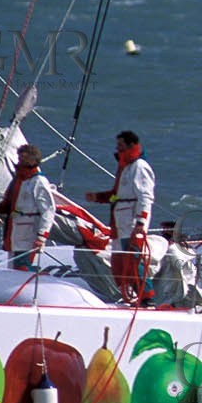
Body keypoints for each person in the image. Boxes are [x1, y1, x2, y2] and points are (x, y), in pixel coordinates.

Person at [86, 130, 156, 306]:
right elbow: (117, 195)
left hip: (131, 221)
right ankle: (132, 294)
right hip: (120, 221)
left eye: (120, 145)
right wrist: (99, 197)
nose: (117, 149)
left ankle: (147, 296)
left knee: (133, 259)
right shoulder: (125, 167)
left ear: (131, 146)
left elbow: (145, 196)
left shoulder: (139, 167)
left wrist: (141, 222)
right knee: (120, 261)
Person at [0, 144, 56, 271]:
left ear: (32, 160)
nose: (19, 162)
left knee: (23, 266)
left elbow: (48, 210)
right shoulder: (18, 180)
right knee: (14, 265)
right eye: (19, 159)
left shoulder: (39, 182)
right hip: (14, 231)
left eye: (22, 159)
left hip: (29, 232)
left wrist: (42, 236)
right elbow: (9, 204)